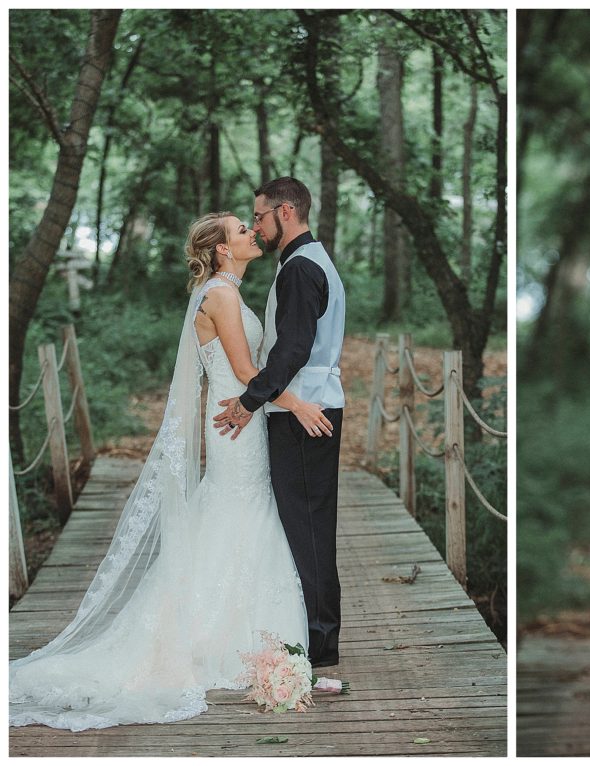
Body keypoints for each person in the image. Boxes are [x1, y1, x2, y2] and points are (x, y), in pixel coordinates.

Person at [9, 213, 332, 730]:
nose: (252, 233)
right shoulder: (220, 296)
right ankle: (216, 639)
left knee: (241, 513)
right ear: (222, 249)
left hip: (242, 416)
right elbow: (245, 371)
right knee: (236, 508)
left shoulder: (228, 291)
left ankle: (245, 635)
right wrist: (297, 404)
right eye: (241, 230)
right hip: (235, 422)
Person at [213, 177, 346, 669]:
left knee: (308, 530)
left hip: (304, 415)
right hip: (308, 408)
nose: (258, 227)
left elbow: (292, 350)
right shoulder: (310, 260)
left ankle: (320, 645)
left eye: (260, 216)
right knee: (308, 526)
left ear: (285, 212)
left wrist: (249, 401)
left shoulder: (300, 268)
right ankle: (313, 636)